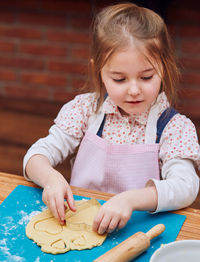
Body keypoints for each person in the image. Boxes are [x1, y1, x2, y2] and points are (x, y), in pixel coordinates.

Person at [23, 2, 200, 235]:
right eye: (119, 79)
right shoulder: (85, 110)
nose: (134, 90)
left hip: (139, 235)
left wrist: (130, 200)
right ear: (100, 72)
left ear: (163, 69)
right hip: (79, 227)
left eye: (146, 77)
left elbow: (186, 187)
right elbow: (35, 156)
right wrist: (51, 178)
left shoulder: (173, 127)